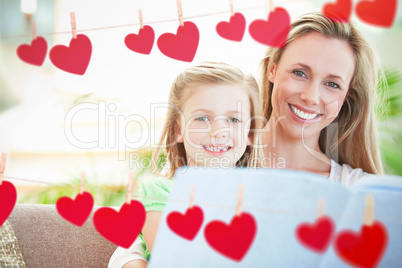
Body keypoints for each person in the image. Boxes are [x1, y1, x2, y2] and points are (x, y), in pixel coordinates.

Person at [108, 61, 263, 267]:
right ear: (178, 130)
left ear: (250, 132)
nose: (218, 131)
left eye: (233, 120)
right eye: (202, 118)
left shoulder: (261, 197)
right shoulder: (158, 192)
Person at [259, 12, 384, 184]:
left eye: (332, 84)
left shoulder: (359, 189)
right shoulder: (217, 162)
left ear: (346, 96)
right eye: (300, 73)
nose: (310, 97)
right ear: (271, 70)